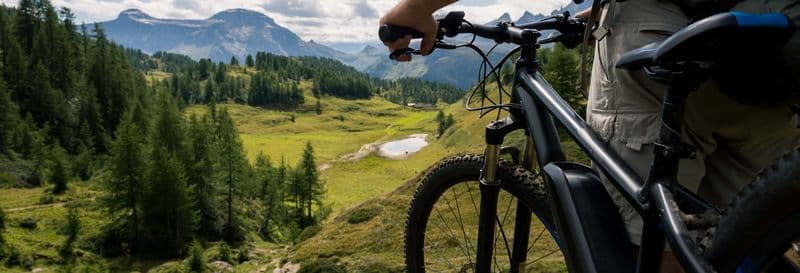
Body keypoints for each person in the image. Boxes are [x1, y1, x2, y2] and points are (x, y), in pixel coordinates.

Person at [380, 0, 800, 272]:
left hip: (656, 34)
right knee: (754, 238)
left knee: (645, 251)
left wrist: (417, 7)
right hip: (765, 49)